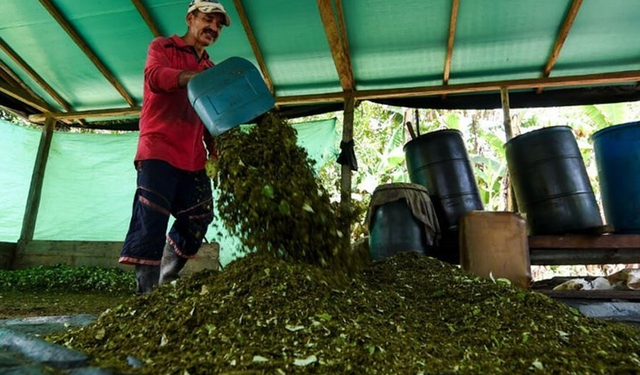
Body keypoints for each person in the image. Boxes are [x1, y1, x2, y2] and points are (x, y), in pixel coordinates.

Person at [119, 0, 231, 294]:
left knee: (200, 216)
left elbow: (212, 116)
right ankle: (145, 295)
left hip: (193, 158)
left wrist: (219, 152)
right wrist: (189, 78)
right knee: (152, 219)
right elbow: (154, 77)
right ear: (191, 18)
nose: (214, 28)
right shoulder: (163, 47)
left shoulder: (211, 68)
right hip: (159, 150)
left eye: (218, 25)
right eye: (209, 20)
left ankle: (166, 276)